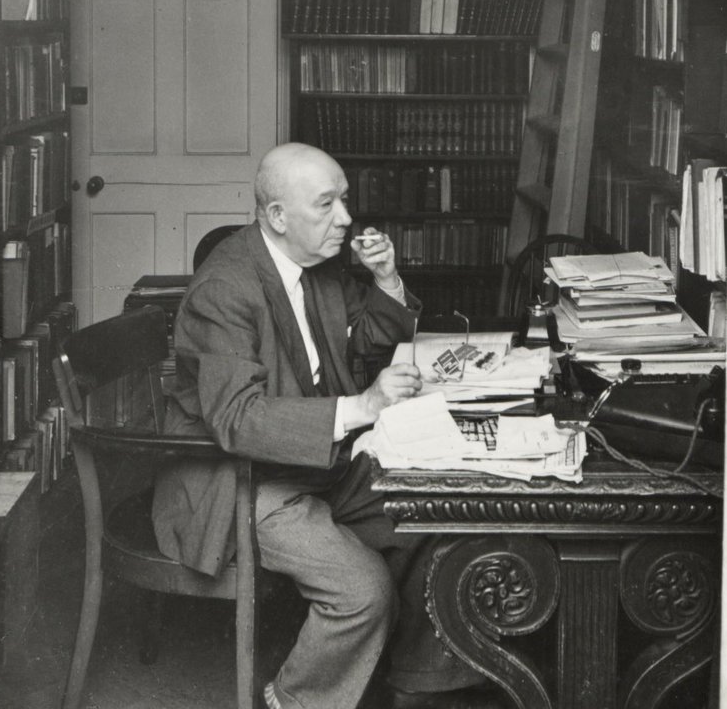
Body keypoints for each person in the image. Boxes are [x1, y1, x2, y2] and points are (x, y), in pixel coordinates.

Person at [153, 142, 499, 709]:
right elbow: (238, 419)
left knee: (439, 508)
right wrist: (362, 406)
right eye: (327, 205)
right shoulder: (225, 290)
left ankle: (413, 687)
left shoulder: (314, 266)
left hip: (314, 466)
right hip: (239, 482)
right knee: (363, 592)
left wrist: (385, 277)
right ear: (277, 217)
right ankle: (293, 701)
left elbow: (359, 336)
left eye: (344, 200)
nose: (345, 218)